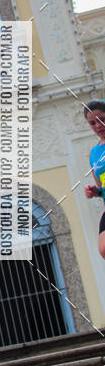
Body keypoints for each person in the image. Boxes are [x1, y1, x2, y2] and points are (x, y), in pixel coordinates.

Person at [84, 99, 105, 260]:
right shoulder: (93, 154)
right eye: (92, 123)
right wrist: (95, 191)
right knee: (103, 248)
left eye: (102, 120)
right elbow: (102, 188)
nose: (98, 126)